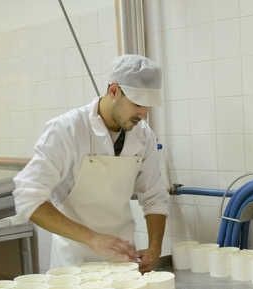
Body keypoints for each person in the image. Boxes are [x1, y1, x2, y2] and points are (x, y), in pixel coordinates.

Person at [13, 54, 169, 271]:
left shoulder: (143, 137)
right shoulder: (67, 130)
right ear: (113, 91)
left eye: (148, 106)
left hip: (123, 263)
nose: (143, 114)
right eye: (137, 103)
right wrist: (92, 239)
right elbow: (27, 196)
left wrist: (154, 248)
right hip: (74, 265)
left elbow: (154, 197)